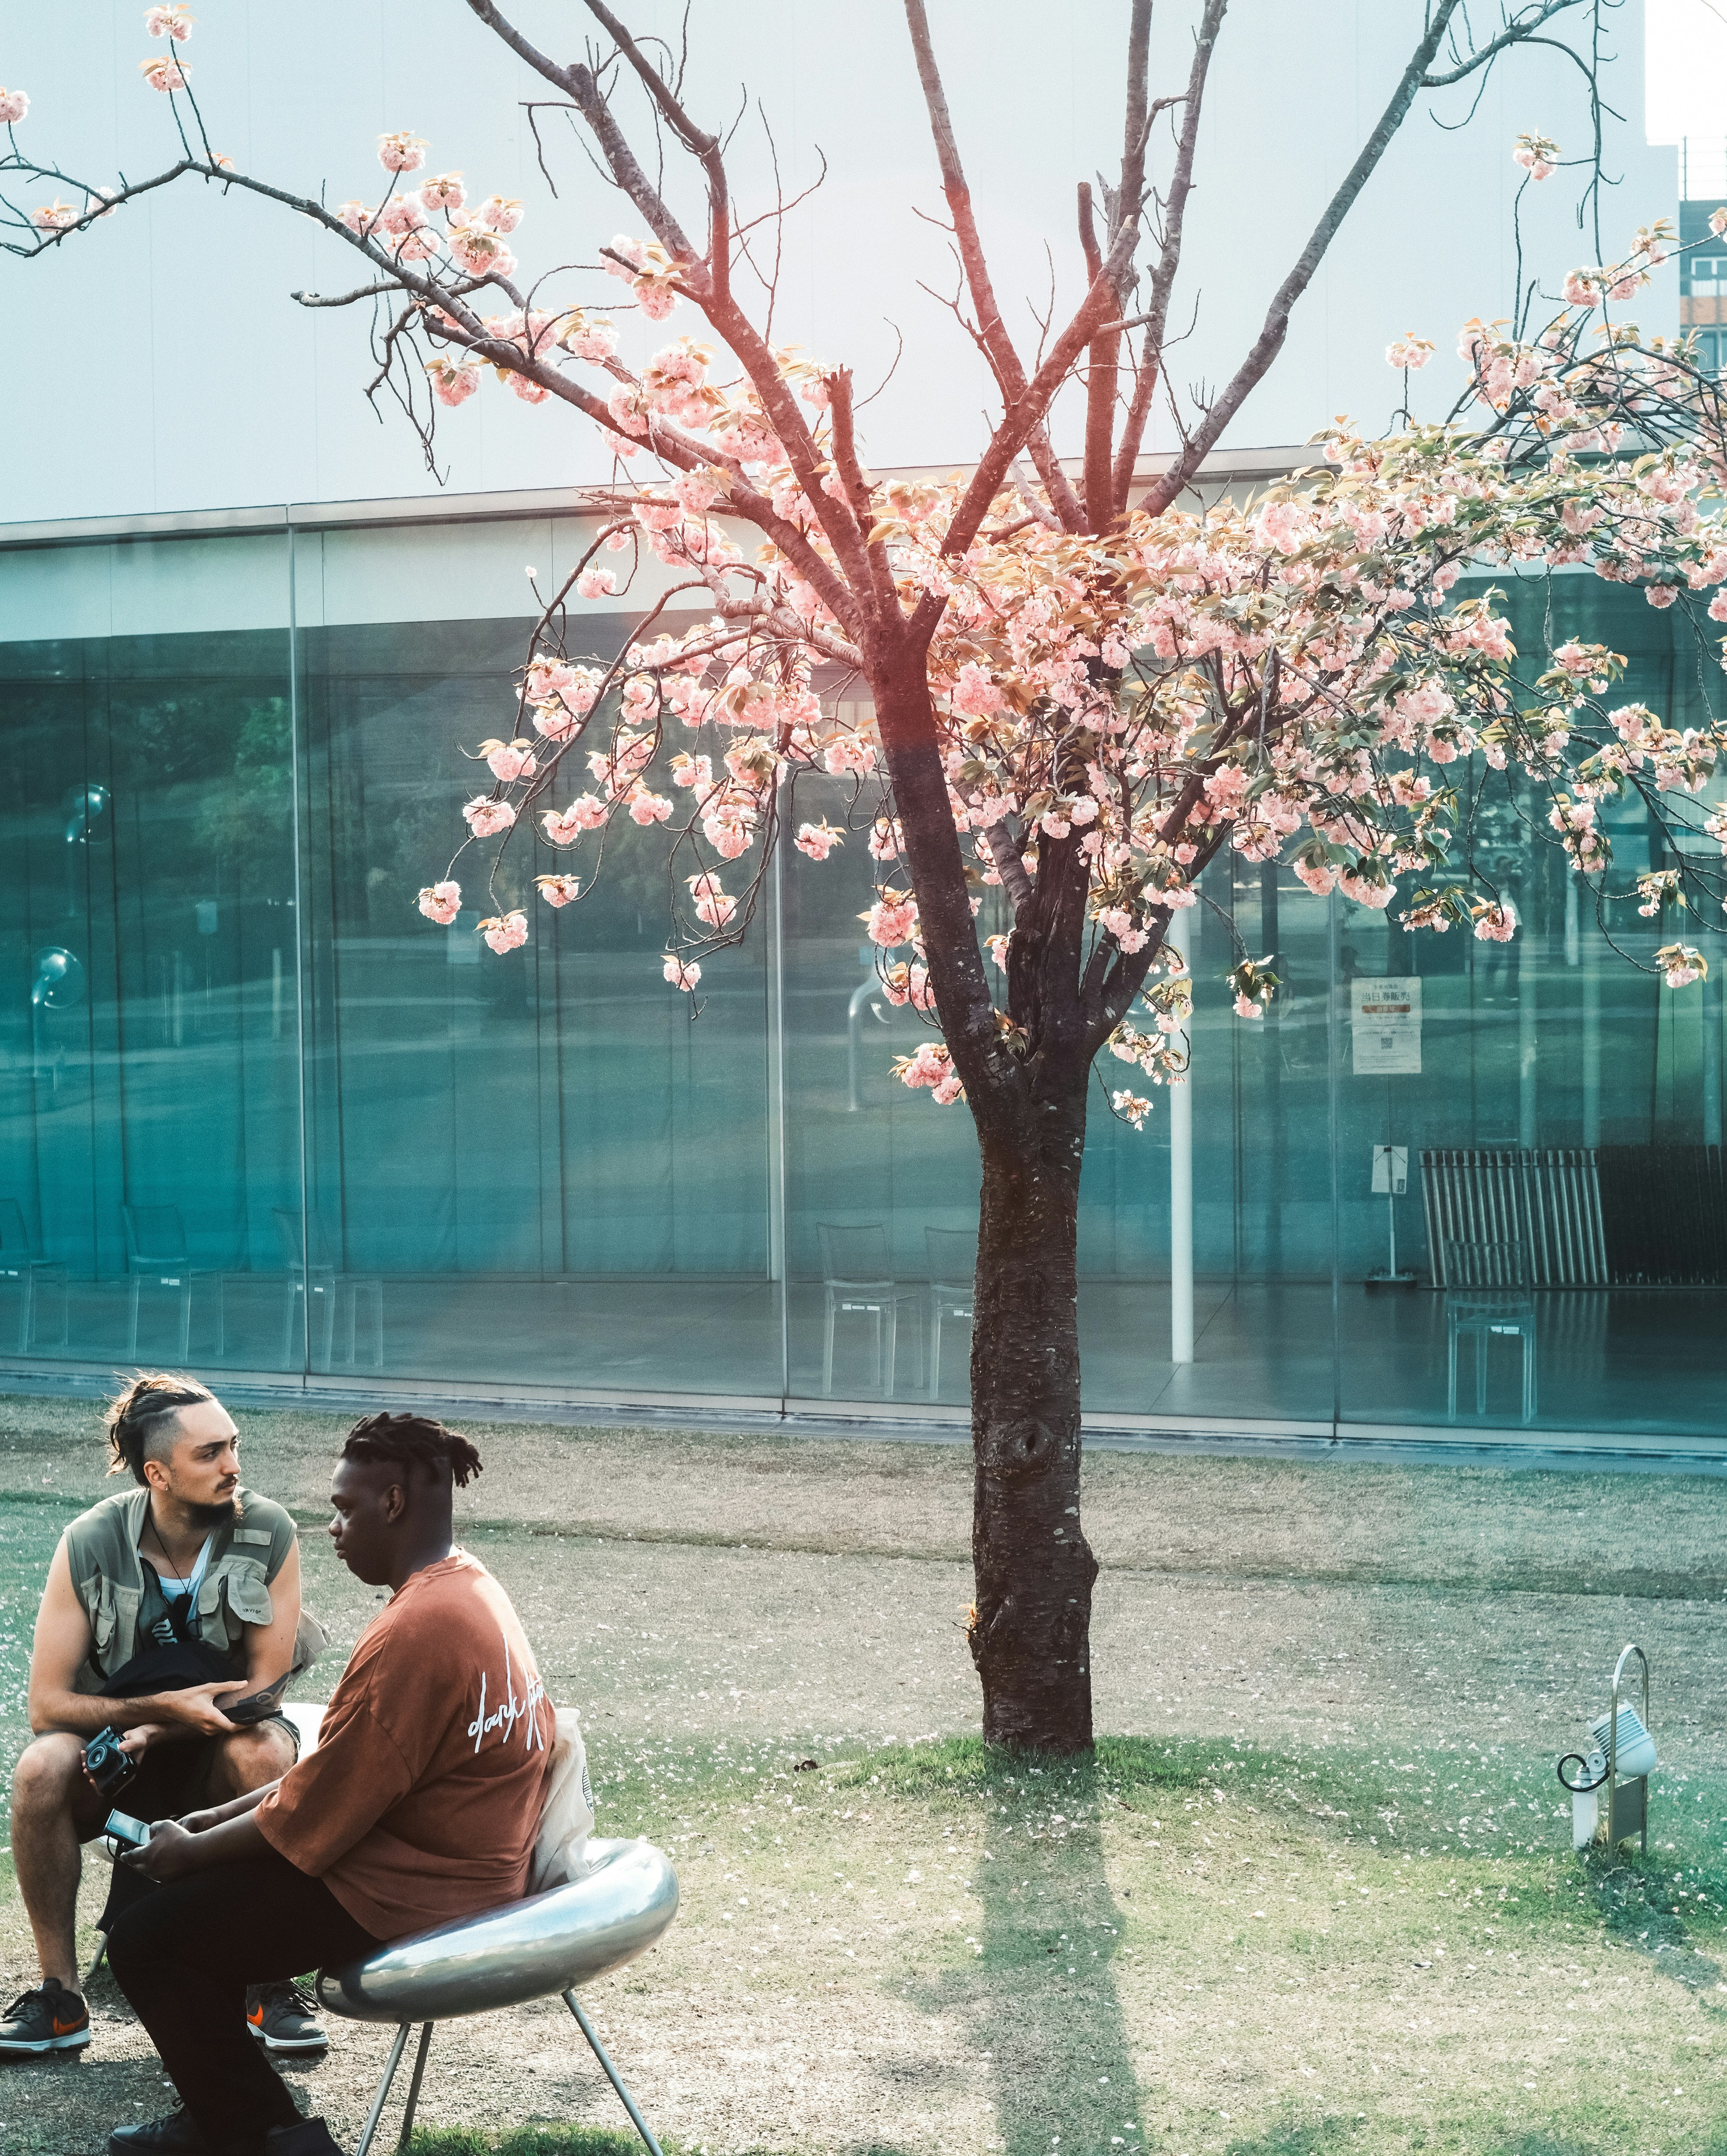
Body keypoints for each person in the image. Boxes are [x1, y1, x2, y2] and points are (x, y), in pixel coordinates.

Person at [103, 1412, 553, 2156]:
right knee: (192, 1910)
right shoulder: (469, 1585)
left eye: (345, 1508)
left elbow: (316, 1814)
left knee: (149, 1939)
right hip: (457, 1859)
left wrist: (193, 1849)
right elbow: (334, 1773)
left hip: (422, 1885)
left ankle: (275, 2137)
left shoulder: (417, 1630)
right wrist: (215, 1815)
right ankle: (220, 2112)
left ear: (395, 1503)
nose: (333, 1528)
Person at [3, 1375, 326, 2063]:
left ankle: (265, 1980)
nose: (233, 1465)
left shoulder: (268, 1529)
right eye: (210, 1453)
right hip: (114, 1761)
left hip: (223, 1748)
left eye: (234, 1446)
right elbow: (47, 1705)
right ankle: (59, 1996)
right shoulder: (89, 1540)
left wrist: (161, 1729)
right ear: (159, 1472)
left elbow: (264, 1690)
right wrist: (146, 1714)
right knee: (39, 1769)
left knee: (265, 1755)